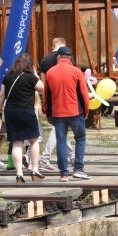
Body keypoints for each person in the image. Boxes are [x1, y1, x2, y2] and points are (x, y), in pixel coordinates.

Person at [43, 46, 90, 182]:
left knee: (61, 142)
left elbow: (47, 95)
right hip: (75, 112)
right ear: (70, 58)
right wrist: (86, 111)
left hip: (58, 113)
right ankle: (78, 169)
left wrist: (47, 112)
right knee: (80, 139)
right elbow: (83, 94)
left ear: (58, 57)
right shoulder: (76, 72)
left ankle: (64, 174)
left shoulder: (50, 72)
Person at [0, 53, 44, 182]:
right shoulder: (30, 77)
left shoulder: (8, 76)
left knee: (16, 143)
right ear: (30, 65)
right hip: (26, 111)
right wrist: (35, 73)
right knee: (34, 140)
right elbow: (42, 88)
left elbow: (2, 95)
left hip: (11, 112)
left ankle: (19, 173)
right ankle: (34, 170)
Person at [38, 37, 74, 172]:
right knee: (57, 129)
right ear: (63, 45)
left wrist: (44, 100)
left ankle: (72, 156)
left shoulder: (44, 60)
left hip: (51, 96)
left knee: (60, 128)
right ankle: (45, 158)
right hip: (65, 96)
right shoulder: (66, 57)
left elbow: (43, 83)